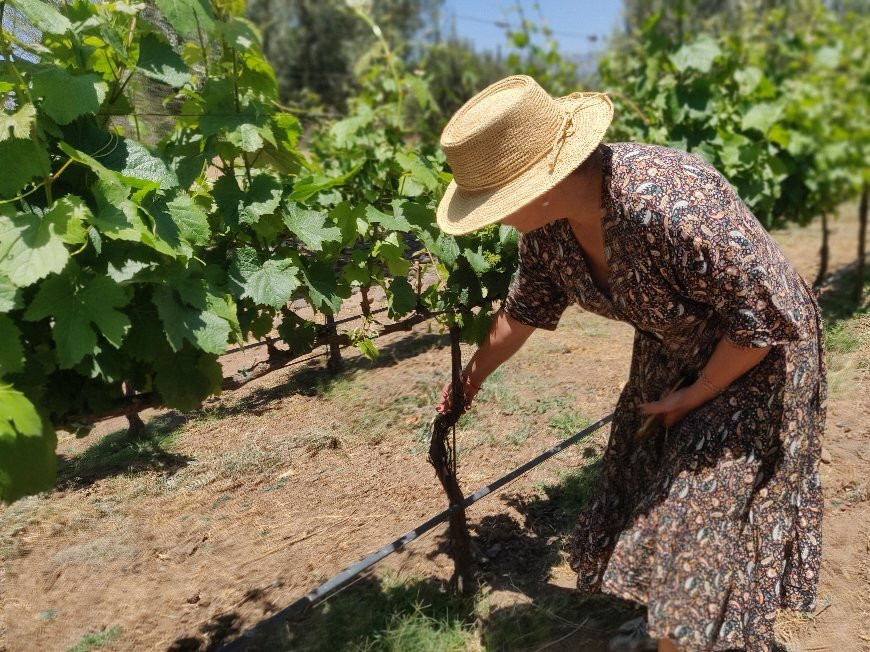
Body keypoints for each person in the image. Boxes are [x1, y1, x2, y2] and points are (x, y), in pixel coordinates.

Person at [433, 75, 826, 652]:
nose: (492, 218)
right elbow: (521, 312)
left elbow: (759, 319)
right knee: (651, 481)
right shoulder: (549, 232)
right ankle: (674, 618)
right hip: (672, 347)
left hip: (759, 353)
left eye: (497, 204)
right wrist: (469, 382)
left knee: (700, 509)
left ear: (544, 183)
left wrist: (693, 396)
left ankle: (681, 628)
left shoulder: (668, 203)